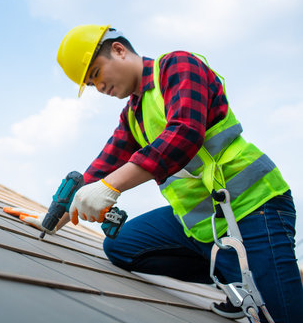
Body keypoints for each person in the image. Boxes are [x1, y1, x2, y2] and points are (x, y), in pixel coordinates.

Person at [53, 24, 302, 322]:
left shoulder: (177, 65)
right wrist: (53, 218)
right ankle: (237, 274)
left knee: (279, 316)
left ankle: (266, 278)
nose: (100, 88)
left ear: (118, 50)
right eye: (92, 85)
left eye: (95, 73)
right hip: (203, 224)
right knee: (120, 246)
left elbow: (184, 133)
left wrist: (111, 186)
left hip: (253, 207)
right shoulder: (133, 114)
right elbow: (102, 166)